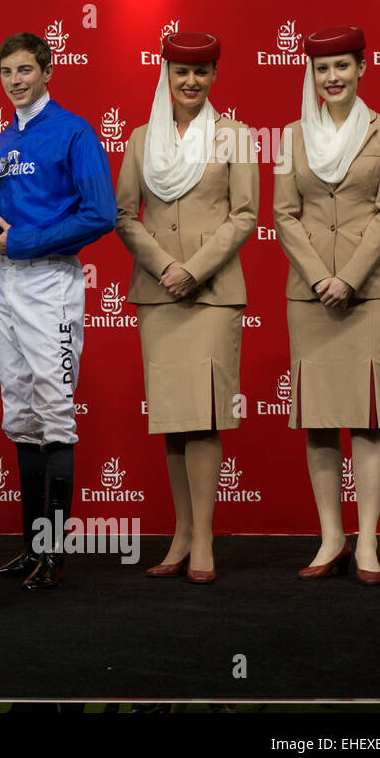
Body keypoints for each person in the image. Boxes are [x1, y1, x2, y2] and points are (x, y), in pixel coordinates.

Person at [0, 32, 116, 589]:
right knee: (21, 416)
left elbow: (100, 214)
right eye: (7, 71)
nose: (16, 80)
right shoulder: (6, 137)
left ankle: (55, 555)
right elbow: (8, 214)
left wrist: (26, 239)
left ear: (48, 70)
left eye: (26, 70)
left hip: (50, 284)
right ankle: (32, 549)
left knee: (53, 414)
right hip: (6, 283)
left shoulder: (75, 131)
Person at [114, 31, 257, 584]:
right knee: (174, 419)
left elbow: (245, 215)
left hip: (212, 293)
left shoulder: (237, 137)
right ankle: (179, 532)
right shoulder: (140, 138)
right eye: (180, 72)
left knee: (206, 416)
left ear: (214, 76)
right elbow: (126, 215)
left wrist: (192, 269)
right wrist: (164, 267)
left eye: (201, 72)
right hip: (158, 293)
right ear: (166, 76)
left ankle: (204, 536)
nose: (190, 82)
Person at [274, 25, 380, 586]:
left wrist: (348, 278)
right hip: (310, 294)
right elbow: (284, 212)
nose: (332, 77)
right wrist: (319, 276)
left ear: (362, 68)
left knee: (368, 420)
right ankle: (332, 537)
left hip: (372, 290)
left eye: (342, 66)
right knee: (321, 421)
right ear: (312, 73)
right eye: (322, 68)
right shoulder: (291, 135)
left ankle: (369, 540)